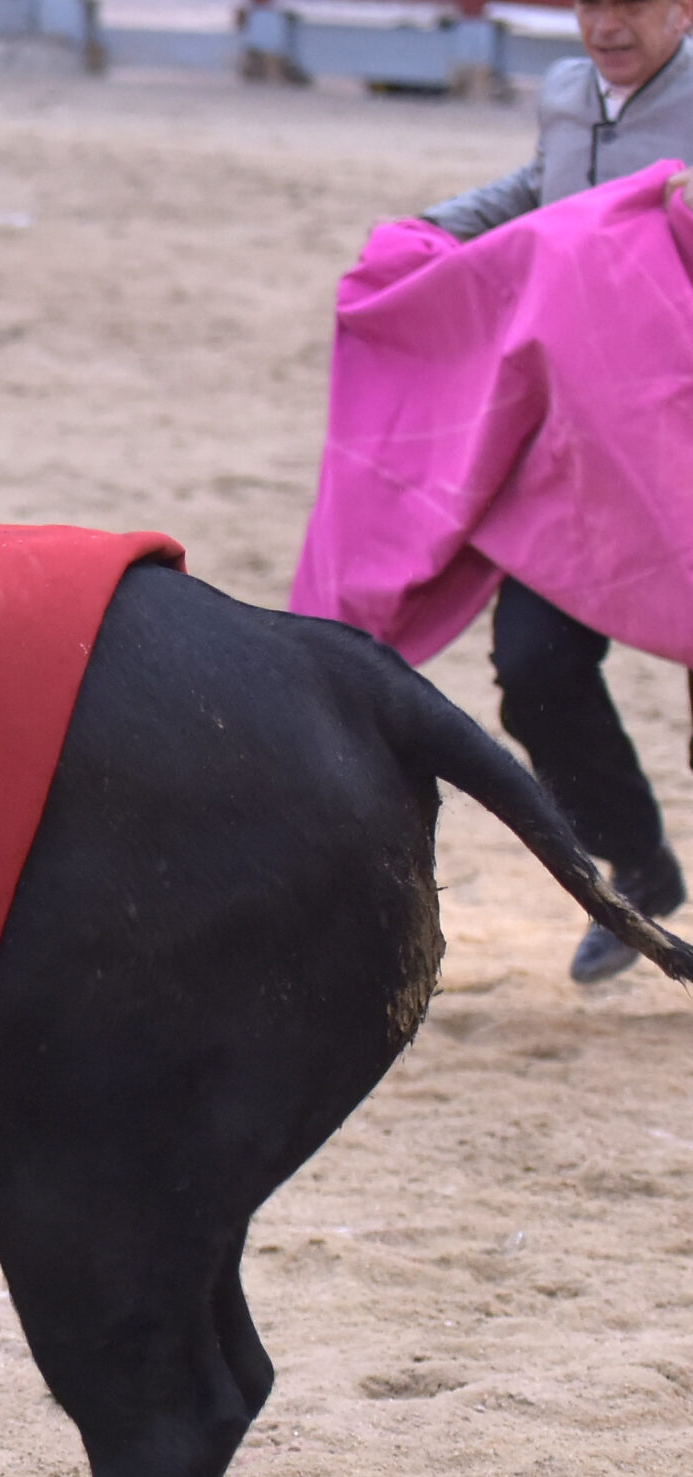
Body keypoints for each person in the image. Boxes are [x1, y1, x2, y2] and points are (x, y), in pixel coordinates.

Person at [417, 0, 693, 981]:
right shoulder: (570, 90)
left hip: (684, 438)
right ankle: (640, 869)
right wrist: (435, 231)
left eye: (630, 4)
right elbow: (545, 188)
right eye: (589, 3)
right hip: (580, 444)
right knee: (533, 668)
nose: (605, 24)